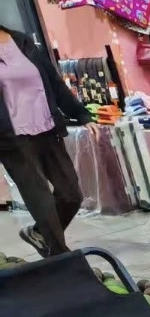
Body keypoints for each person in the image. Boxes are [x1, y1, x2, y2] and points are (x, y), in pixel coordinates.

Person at [0, 26, 91, 257]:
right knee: (43, 203)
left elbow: (52, 80)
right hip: (12, 140)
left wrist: (79, 113)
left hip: (47, 128)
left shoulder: (20, 40)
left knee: (71, 194)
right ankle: (61, 260)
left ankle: (39, 233)